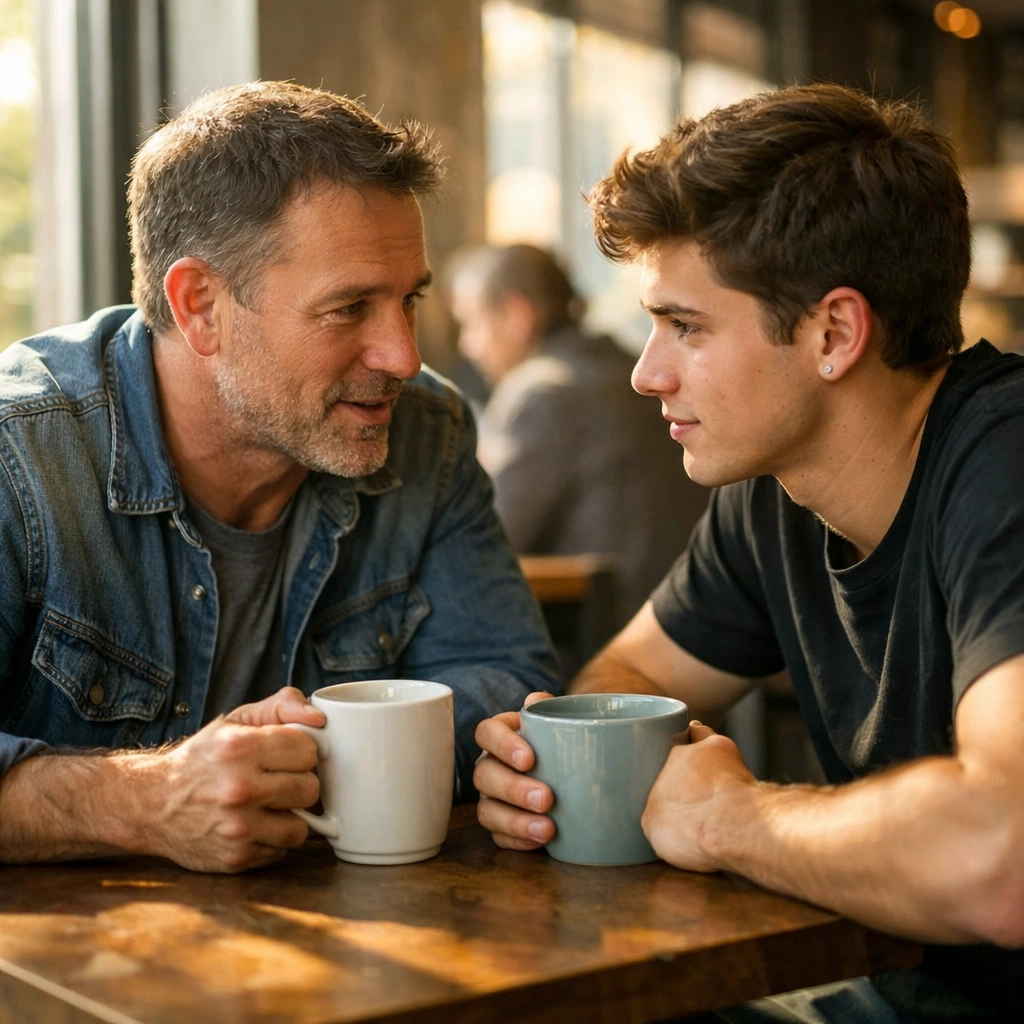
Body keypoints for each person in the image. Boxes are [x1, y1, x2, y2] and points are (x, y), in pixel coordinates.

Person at [473, 83, 1024, 1023]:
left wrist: (727, 817)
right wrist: (546, 762)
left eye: (685, 326)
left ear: (835, 333)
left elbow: (1001, 856)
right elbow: (633, 677)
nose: (648, 373)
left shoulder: (1004, 461)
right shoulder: (774, 494)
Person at [0, 81, 559, 874]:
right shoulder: (19, 452)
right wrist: (149, 799)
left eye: (409, 300)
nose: (402, 356)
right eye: (348, 308)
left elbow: (511, 681)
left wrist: (298, 759)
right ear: (200, 306)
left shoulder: (426, 431)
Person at [448, 243, 709, 628]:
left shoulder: (540, 392)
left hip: (599, 638)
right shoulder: (629, 369)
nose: (467, 345)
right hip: (695, 620)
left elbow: (483, 543)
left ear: (516, 315)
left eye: (471, 323)